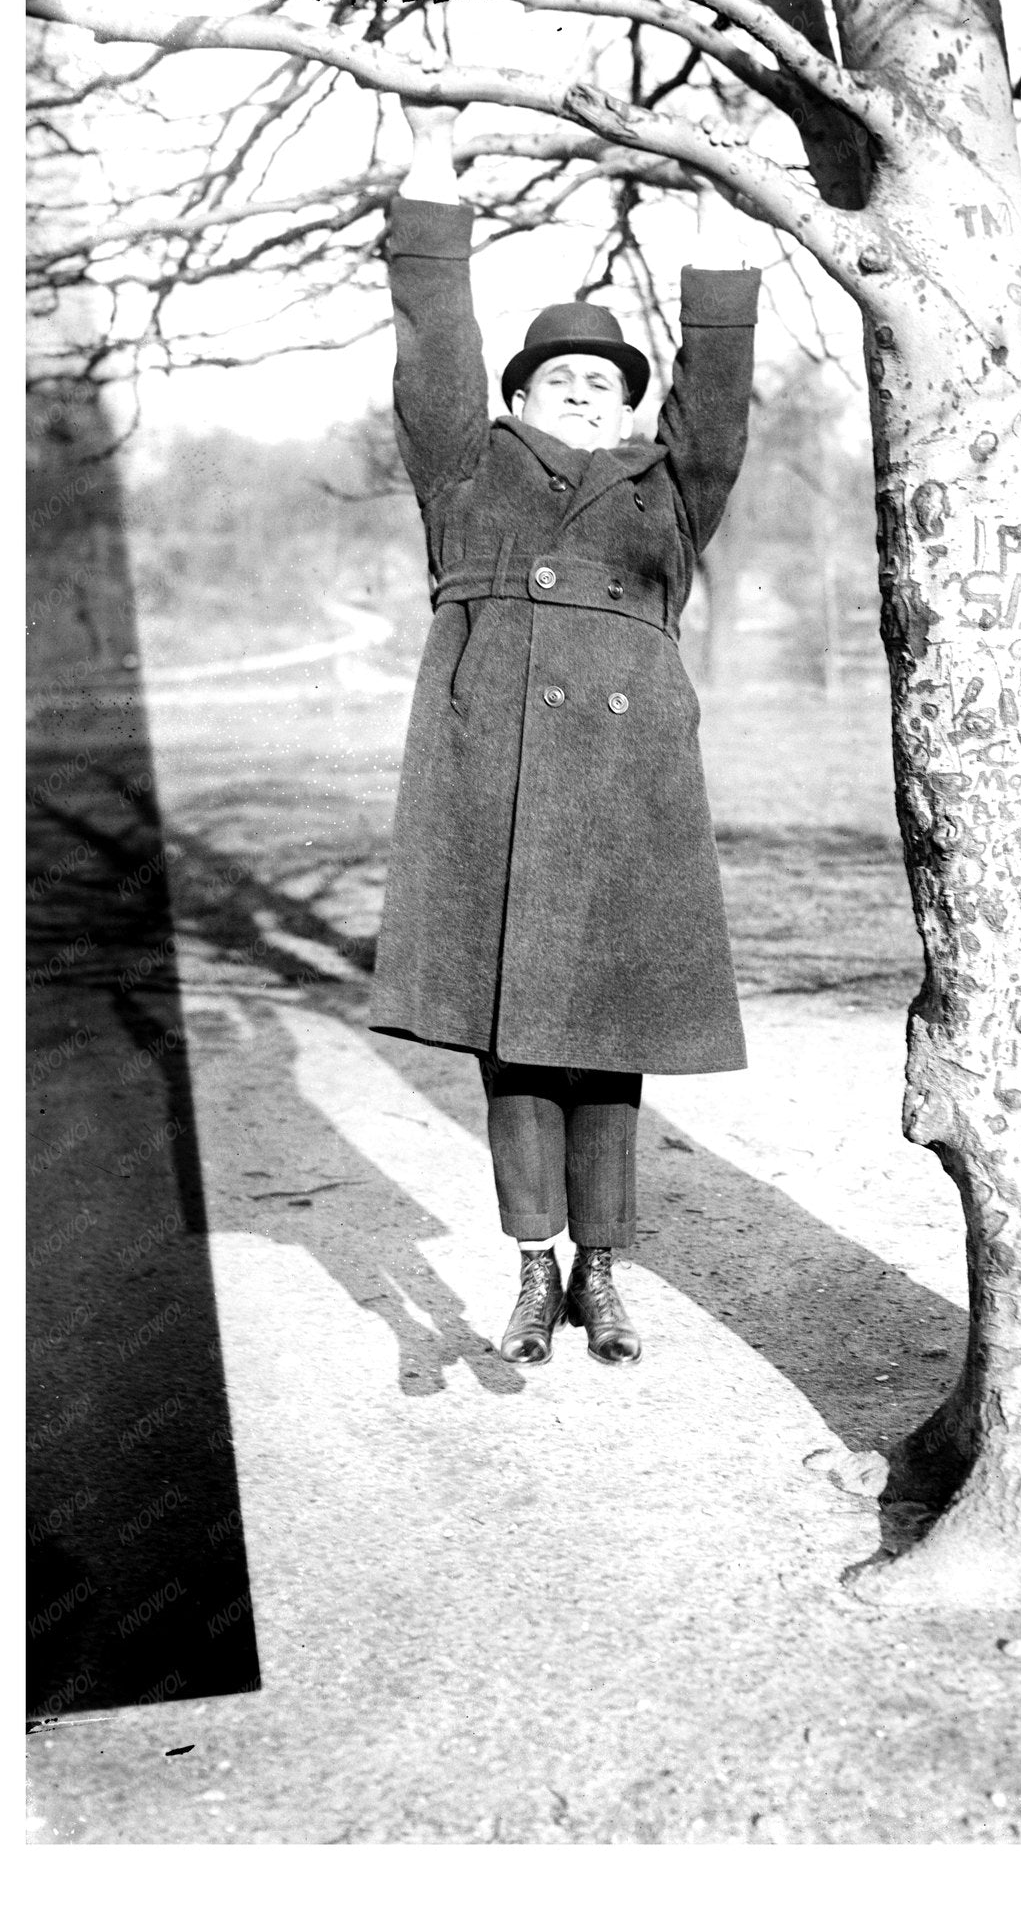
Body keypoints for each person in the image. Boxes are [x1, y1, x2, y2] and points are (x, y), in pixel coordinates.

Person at [369, 92, 760, 1369]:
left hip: (630, 787)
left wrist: (718, 208)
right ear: (521, 396)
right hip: (495, 780)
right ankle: (535, 1267)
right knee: (516, 1045)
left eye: (607, 382)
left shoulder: (669, 495)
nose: (588, 391)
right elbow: (435, 346)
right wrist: (431, 165)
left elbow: (717, 398)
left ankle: (606, 1268)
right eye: (563, 378)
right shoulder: (466, 469)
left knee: (611, 1041)